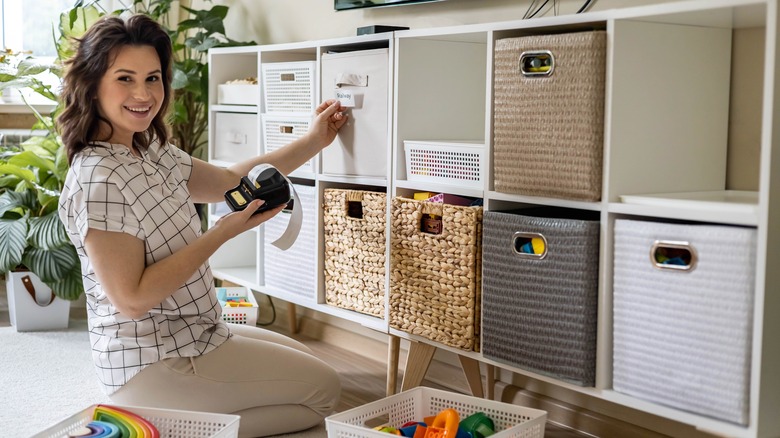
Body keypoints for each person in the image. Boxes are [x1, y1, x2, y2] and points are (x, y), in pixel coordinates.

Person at [57, 14, 347, 437]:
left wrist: (313, 141)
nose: (143, 94)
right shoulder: (98, 179)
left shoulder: (147, 149)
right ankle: (167, 427)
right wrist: (223, 232)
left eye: (153, 78)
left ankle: (176, 419)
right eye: (125, 79)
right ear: (93, 83)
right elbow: (133, 300)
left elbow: (230, 181)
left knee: (309, 365)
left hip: (198, 332)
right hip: (152, 359)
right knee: (325, 391)